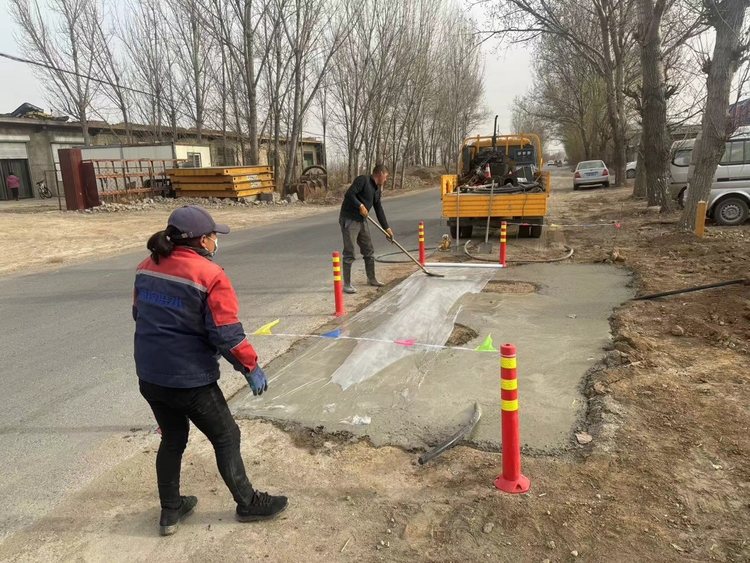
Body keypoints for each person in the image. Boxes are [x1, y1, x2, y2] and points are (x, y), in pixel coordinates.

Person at [133, 205, 287, 536]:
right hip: (190, 380)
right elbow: (226, 334)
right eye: (215, 236)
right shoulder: (210, 276)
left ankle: (170, 510)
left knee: (173, 437)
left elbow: (138, 314)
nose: (217, 242)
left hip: (150, 376)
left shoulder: (145, 268)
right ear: (203, 240)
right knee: (226, 435)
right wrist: (250, 366)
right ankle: (248, 502)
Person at [339, 164, 393, 294]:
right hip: (350, 219)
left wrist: (387, 228)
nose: (385, 180)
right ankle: (346, 284)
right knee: (350, 252)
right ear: (380, 174)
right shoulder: (363, 180)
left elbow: (379, 209)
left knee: (368, 250)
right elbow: (349, 194)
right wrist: (360, 205)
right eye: (385, 177)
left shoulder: (377, 190)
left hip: (362, 221)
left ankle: (371, 278)